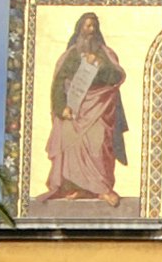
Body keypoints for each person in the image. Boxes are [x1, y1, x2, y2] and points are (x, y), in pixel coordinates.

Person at [39, 11, 127, 203]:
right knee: (70, 142)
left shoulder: (106, 54)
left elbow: (116, 76)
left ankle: (101, 188)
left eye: (94, 26)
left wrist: (99, 64)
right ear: (79, 28)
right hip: (73, 109)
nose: (91, 30)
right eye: (87, 26)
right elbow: (59, 82)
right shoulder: (70, 56)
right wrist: (62, 107)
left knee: (99, 143)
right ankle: (77, 187)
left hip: (99, 107)